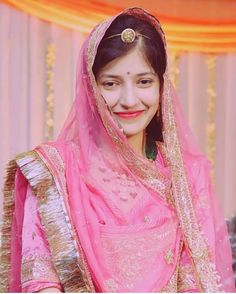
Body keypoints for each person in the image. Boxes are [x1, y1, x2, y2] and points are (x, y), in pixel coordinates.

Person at [0, 7, 235, 293]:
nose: (129, 99)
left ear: (162, 86)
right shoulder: (54, 174)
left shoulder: (186, 175)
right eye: (111, 83)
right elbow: (41, 284)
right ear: (91, 88)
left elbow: (195, 284)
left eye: (144, 82)